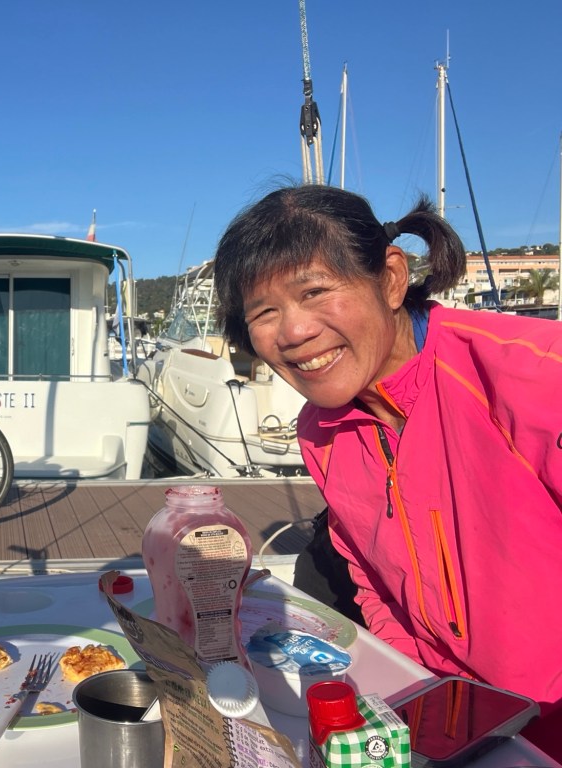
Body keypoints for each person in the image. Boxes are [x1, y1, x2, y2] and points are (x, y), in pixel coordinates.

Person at [212, 183, 562, 758]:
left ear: (393, 278)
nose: (294, 333)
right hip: (457, 720)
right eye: (265, 313)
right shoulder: (319, 431)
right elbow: (372, 581)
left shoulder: (534, 376)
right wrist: (427, 695)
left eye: (315, 291)